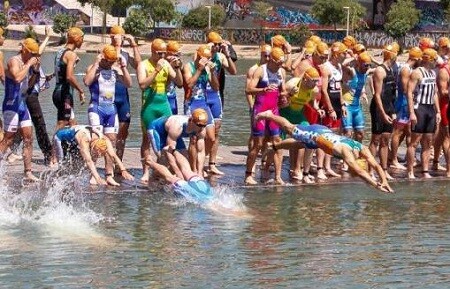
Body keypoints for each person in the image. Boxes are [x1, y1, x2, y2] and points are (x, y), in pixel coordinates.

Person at [255, 110, 394, 193]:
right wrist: (376, 185)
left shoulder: (362, 148)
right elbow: (361, 172)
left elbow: (376, 165)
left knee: (302, 144)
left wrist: (384, 181)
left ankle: (274, 147)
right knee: (290, 128)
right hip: (315, 134)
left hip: (322, 134)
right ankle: (269, 115)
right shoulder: (347, 154)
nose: (353, 170)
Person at [7, 26, 55, 166]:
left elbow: (39, 52)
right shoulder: (24, 62)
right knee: (39, 124)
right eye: (33, 52)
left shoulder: (29, 59)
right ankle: (48, 154)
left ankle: (12, 151)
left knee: (24, 127)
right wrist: (34, 71)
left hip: (28, 95)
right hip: (29, 96)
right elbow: (28, 84)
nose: (37, 55)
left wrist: (47, 37)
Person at [84, 44, 132, 178]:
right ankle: (92, 175)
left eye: (112, 61)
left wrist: (123, 67)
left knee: (111, 141)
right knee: (96, 140)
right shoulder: (94, 68)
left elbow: (129, 84)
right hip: (96, 108)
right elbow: (87, 81)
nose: (110, 64)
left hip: (111, 109)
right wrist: (96, 64)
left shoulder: (115, 70)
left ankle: (109, 174)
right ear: (103, 58)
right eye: (108, 61)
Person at [244, 47, 287, 185]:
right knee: (258, 144)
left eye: (282, 63)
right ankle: (249, 174)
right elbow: (248, 89)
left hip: (274, 111)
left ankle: (278, 176)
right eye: (278, 63)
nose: (280, 65)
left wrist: (285, 97)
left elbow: (283, 91)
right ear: (272, 60)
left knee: (277, 142)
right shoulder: (261, 70)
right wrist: (263, 89)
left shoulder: (281, 72)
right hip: (260, 110)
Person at [137, 38, 178, 182]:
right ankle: (146, 171)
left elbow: (179, 83)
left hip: (163, 105)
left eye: (164, 54)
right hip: (149, 106)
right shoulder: (143, 65)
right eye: (159, 54)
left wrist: (177, 68)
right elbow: (142, 84)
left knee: (168, 138)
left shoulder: (166, 63)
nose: (162, 57)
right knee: (146, 139)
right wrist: (156, 70)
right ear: (152, 52)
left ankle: (160, 169)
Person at [0, 38, 41, 181]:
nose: (34, 56)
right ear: (24, 49)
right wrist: (29, 64)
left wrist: (35, 72)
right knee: (8, 139)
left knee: (29, 138)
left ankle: (28, 172)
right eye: (32, 53)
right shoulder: (14, 61)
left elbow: (27, 86)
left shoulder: (27, 64)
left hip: (22, 104)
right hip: (11, 104)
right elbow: (17, 78)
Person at [54, 125, 134, 186]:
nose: (96, 156)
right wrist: (98, 178)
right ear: (93, 147)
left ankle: (69, 185)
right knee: (63, 166)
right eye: (96, 153)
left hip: (74, 141)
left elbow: (113, 155)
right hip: (60, 139)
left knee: (77, 167)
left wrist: (124, 170)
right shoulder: (84, 140)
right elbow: (89, 161)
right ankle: (56, 182)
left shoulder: (104, 139)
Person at [182, 45, 220, 175]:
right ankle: (193, 169)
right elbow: (189, 83)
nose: (206, 60)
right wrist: (199, 69)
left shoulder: (208, 70)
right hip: (191, 104)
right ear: (197, 56)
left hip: (203, 103)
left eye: (209, 58)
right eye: (204, 58)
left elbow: (215, 88)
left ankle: (201, 164)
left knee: (211, 137)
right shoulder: (189, 66)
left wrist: (213, 72)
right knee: (194, 139)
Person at [205, 31, 237, 175]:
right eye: (215, 44)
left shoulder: (221, 56)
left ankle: (211, 163)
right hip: (202, 96)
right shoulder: (201, 54)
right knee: (202, 131)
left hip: (216, 95)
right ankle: (200, 161)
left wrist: (227, 53)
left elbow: (233, 71)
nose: (217, 47)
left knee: (216, 131)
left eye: (219, 44)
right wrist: (207, 52)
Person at [406, 48, 441, 179]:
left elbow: (435, 93)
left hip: (430, 109)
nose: (436, 62)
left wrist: (437, 111)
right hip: (419, 108)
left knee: (428, 141)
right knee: (414, 142)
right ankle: (410, 171)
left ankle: (425, 171)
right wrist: (411, 113)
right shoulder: (417, 73)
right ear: (429, 60)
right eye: (435, 59)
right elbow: (409, 92)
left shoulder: (432, 73)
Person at [109, 25, 142, 162]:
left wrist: (133, 44)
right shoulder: (105, 51)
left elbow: (139, 64)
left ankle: (119, 162)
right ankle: (110, 163)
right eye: (120, 37)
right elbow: (114, 63)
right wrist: (116, 46)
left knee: (124, 129)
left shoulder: (125, 53)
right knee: (110, 134)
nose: (122, 40)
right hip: (109, 94)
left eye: (123, 37)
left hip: (123, 94)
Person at [369, 43, 398, 180]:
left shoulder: (391, 70)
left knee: (386, 139)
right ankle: (371, 170)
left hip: (388, 107)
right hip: (378, 108)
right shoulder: (380, 71)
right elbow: (377, 95)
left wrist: (392, 111)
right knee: (376, 139)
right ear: (392, 55)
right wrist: (382, 113)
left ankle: (384, 169)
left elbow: (391, 94)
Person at [389, 47, 422, 170]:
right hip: (403, 103)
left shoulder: (410, 69)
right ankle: (393, 159)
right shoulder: (405, 70)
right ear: (415, 58)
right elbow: (405, 88)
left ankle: (410, 158)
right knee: (398, 132)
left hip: (408, 103)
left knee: (409, 131)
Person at [146, 148, 213, 201]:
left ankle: (173, 151)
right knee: (169, 177)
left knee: (187, 170)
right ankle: (151, 162)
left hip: (205, 189)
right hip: (193, 193)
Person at [52, 26, 86, 130]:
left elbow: (60, 70)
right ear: (76, 39)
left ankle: (69, 145)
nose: (83, 41)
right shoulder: (71, 54)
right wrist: (81, 91)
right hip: (64, 93)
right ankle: (54, 145)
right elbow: (69, 77)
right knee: (63, 122)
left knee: (71, 122)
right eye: (82, 38)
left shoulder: (60, 52)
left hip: (57, 92)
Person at [165, 40, 184, 115]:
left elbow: (180, 85)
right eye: (177, 54)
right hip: (162, 98)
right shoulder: (162, 63)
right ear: (169, 53)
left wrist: (177, 67)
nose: (178, 57)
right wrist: (170, 67)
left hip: (172, 98)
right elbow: (164, 84)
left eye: (179, 55)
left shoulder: (178, 64)